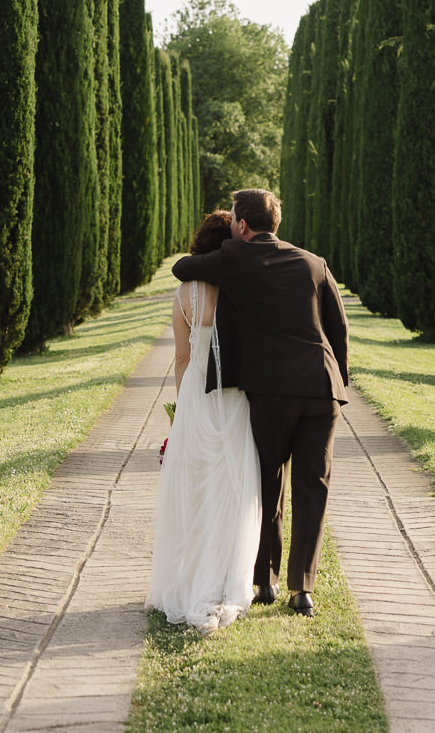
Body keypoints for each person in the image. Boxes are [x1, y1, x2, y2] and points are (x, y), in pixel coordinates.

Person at [171, 188, 349, 619]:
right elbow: (337, 328)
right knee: (314, 487)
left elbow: (182, 267)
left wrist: (227, 250)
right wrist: (338, 382)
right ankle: (302, 589)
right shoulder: (314, 262)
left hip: (271, 393)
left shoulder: (235, 256)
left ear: (243, 225)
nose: (230, 225)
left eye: (232, 218)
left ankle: (264, 580)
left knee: (267, 481)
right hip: (321, 389)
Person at [145, 210, 262, 632]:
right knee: (231, 484)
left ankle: (189, 577)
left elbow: (180, 356)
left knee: (193, 488)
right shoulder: (238, 286)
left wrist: (183, 409)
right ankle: (229, 576)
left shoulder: (184, 293)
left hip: (196, 390)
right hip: (232, 392)